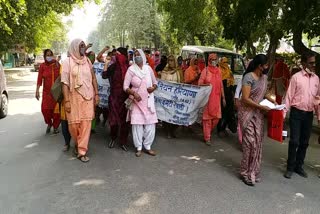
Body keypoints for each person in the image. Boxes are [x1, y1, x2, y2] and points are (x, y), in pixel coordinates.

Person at [238, 54, 276, 186]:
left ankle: (253, 171)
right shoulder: (248, 77)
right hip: (247, 113)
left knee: (258, 142)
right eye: (266, 65)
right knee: (250, 143)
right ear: (260, 66)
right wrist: (260, 106)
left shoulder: (264, 78)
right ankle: (244, 172)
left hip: (258, 115)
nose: (267, 68)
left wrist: (272, 100)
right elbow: (245, 98)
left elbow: (263, 92)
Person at [61, 39, 99, 163]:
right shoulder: (68, 62)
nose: (83, 48)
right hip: (73, 98)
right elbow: (65, 83)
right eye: (81, 46)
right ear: (75, 47)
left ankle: (82, 151)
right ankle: (77, 144)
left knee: (86, 124)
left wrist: (97, 94)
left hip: (88, 97)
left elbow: (93, 78)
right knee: (74, 125)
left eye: (84, 46)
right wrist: (66, 101)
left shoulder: (87, 61)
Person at [283, 53, 320, 179]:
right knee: (294, 141)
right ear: (304, 64)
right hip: (296, 113)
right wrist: (283, 114)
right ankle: (290, 167)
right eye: (311, 63)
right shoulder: (296, 78)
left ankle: (299, 166)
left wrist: (319, 118)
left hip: (309, 115)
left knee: (304, 142)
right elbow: (288, 96)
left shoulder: (316, 79)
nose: (313, 65)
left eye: (314, 63)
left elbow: (318, 100)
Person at [123, 49, 158, 157]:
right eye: (135, 55)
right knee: (137, 125)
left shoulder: (148, 69)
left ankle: (147, 146)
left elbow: (155, 82)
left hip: (148, 102)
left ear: (143, 56)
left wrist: (153, 88)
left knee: (150, 125)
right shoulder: (131, 69)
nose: (137, 57)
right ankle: (138, 147)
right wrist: (133, 93)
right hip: (136, 102)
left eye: (139, 55)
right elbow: (125, 87)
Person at [103, 47, 130, 151]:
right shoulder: (113, 67)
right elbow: (105, 76)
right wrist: (106, 64)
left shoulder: (129, 68)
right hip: (114, 97)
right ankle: (113, 138)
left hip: (125, 97)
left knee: (125, 121)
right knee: (114, 119)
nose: (117, 56)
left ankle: (123, 141)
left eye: (118, 54)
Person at [198, 53, 226, 146]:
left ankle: (207, 131)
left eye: (215, 59)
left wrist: (223, 98)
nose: (214, 61)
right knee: (207, 119)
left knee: (216, 118)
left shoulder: (218, 70)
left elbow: (221, 85)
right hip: (207, 99)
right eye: (212, 59)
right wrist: (207, 85)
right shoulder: (205, 71)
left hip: (217, 99)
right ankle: (207, 137)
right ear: (209, 60)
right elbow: (199, 83)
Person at [36, 49, 61, 134]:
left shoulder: (57, 64)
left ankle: (55, 126)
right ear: (44, 56)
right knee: (45, 110)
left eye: (50, 55)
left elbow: (62, 76)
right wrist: (37, 90)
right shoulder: (42, 66)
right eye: (47, 55)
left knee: (56, 111)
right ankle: (49, 124)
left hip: (56, 93)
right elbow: (39, 79)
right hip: (46, 93)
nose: (49, 57)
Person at [161, 55, 182, 138]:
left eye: (172, 60)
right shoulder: (165, 71)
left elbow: (182, 83)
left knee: (175, 114)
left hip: (176, 97)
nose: (170, 62)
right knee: (167, 114)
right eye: (169, 60)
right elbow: (162, 84)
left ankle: (173, 131)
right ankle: (168, 132)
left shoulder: (179, 71)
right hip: (166, 96)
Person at [217, 57, 237, 136]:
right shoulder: (218, 71)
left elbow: (232, 85)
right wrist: (223, 98)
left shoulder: (229, 72)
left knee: (229, 113)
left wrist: (233, 96)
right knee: (222, 113)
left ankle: (224, 128)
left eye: (226, 62)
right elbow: (219, 85)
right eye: (224, 62)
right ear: (221, 62)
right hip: (222, 95)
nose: (225, 64)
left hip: (229, 95)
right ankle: (219, 129)